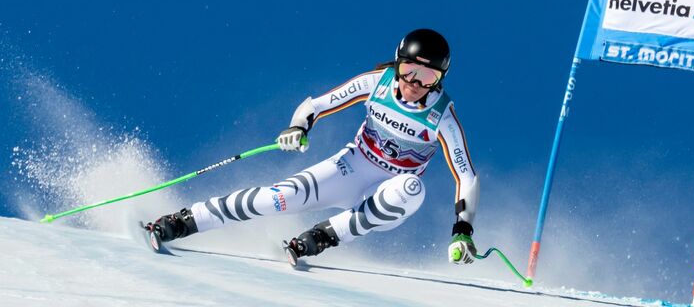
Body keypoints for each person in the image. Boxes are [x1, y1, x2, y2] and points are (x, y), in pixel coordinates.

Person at [145, 28, 481, 266]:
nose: (414, 84)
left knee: (412, 187)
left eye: (427, 78)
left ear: (440, 80)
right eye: (409, 71)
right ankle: (184, 221)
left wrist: (462, 229)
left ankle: (321, 237)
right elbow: (315, 106)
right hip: (350, 168)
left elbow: (466, 176)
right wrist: (297, 128)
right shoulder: (375, 83)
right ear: (397, 64)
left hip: (387, 194)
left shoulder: (441, 117)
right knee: (276, 199)